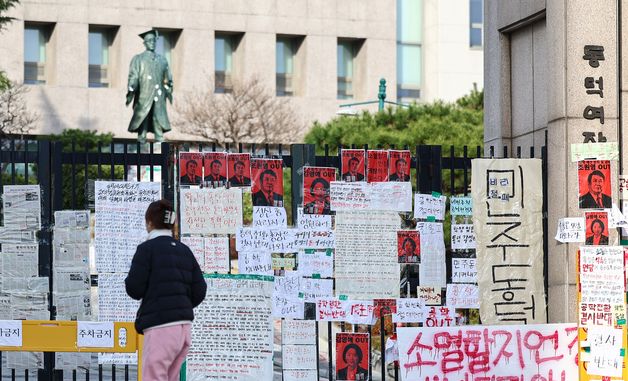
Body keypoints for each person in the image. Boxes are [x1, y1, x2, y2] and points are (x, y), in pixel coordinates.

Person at [125, 200, 207, 381]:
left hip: (160, 327)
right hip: (184, 328)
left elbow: (134, 288)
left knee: (153, 376)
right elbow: (200, 290)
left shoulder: (146, 249)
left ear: (149, 222)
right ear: (173, 223)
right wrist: (180, 305)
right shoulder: (184, 250)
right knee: (171, 377)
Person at [126, 29, 173, 143]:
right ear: (145, 43)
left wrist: (168, 87)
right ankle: (141, 138)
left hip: (158, 94)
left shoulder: (162, 59)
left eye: (154, 40)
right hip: (144, 93)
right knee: (144, 115)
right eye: (149, 40)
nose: (152, 43)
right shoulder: (138, 59)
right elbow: (134, 75)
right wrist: (132, 86)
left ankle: (159, 137)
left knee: (157, 115)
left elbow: (168, 78)